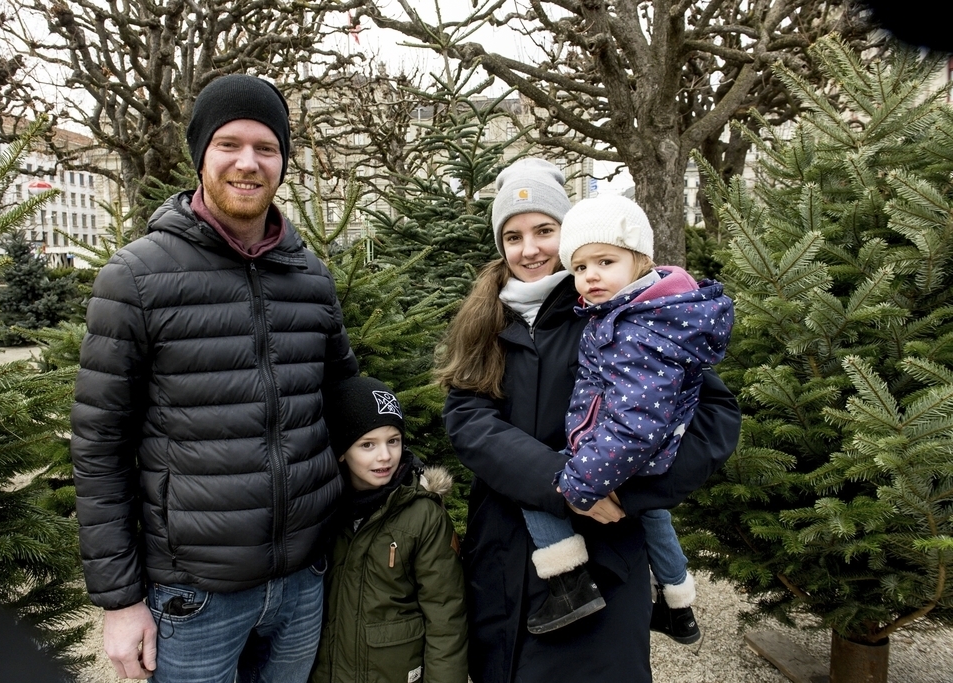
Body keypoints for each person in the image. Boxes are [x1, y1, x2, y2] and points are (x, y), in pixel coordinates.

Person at [70, 74, 358, 683]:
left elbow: (347, 398)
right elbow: (99, 449)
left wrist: (398, 433)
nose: (248, 163)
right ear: (201, 153)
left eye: (266, 147)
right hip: (193, 595)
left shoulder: (310, 276)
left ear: (283, 160)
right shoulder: (137, 278)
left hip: (302, 583)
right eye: (229, 144)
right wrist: (119, 602)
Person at [437, 157, 742, 683]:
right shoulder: (483, 321)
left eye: (545, 231)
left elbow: (713, 416)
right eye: (513, 236)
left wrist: (628, 494)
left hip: (604, 559)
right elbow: (468, 421)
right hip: (504, 556)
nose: (529, 249)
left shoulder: (621, 317)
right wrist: (561, 485)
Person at [520, 193, 733, 639]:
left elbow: (636, 422)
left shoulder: (636, 328)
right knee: (655, 517)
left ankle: (569, 584)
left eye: (605, 261)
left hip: (622, 451)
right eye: (579, 268)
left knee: (536, 487)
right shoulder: (646, 314)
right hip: (641, 451)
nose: (590, 276)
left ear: (640, 260)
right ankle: (679, 604)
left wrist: (580, 485)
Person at [310, 376, 468, 683]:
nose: (384, 456)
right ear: (342, 450)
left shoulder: (423, 514)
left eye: (393, 441)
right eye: (367, 444)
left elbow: (445, 614)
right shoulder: (323, 510)